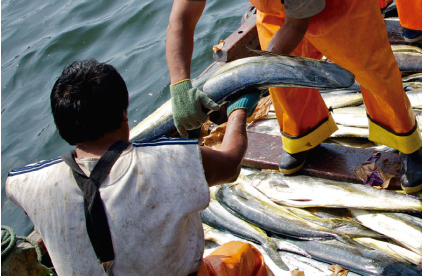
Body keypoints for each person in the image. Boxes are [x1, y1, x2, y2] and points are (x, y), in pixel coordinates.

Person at [166, 0, 422, 193]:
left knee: (372, 68)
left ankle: (407, 142)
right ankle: (305, 138)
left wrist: (253, 80)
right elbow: (182, 19)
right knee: (282, 80)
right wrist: (180, 84)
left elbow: (296, 24)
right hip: (274, 1)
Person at [5, 59, 268, 276]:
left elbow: (13, 184)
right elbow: (231, 164)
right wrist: (239, 111)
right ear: (124, 114)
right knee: (246, 257)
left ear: (63, 128)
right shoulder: (169, 161)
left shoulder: (26, 185)